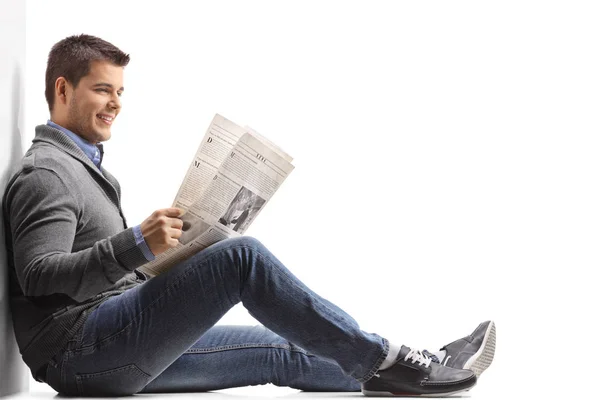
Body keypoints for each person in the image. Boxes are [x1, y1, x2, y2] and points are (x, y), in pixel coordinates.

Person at [2, 34, 496, 397]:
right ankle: (394, 362)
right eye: (102, 90)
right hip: (80, 352)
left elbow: (92, 272)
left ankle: (420, 366)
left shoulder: (80, 167)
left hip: (104, 343)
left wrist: (174, 254)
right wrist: (136, 245)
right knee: (243, 258)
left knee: (280, 348)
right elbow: (40, 277)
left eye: (120, 92)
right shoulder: (47, 173)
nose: (115, 104)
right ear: (63, 90)